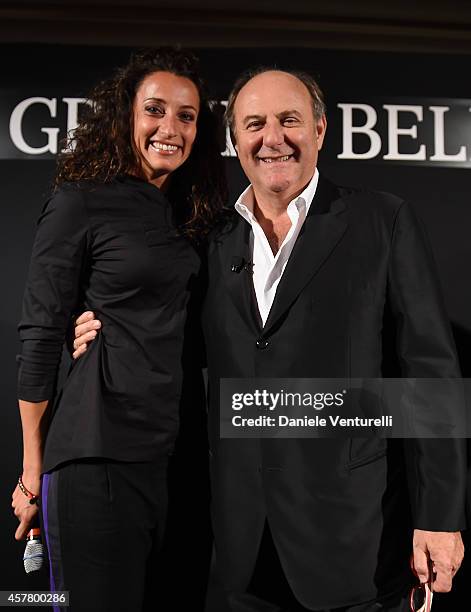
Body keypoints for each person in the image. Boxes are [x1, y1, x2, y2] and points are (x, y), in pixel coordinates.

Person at [73, 68, 466, 612]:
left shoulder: (383, 219)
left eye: (290, 120)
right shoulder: (209, 237)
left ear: (322, 130)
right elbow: (173, 344)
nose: (272, 138)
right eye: (254, 124)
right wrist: (101, 326)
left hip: (358, 546)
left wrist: (440, 518)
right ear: (235, 140)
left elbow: (431, 375)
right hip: (237, 550)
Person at [12, 47, 226, 611]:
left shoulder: (195, 216)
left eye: (187, 115)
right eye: (155, 110)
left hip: (180, 462)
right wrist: (31, 471)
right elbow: (39, 333)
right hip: (96, 456)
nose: (170, 128)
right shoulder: (79, 203)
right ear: (125, 116)